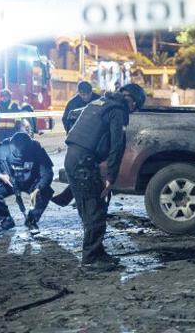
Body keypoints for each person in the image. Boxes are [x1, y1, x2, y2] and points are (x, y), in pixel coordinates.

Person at [64, 83, 145, 270]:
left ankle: (98, 252)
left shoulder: (99, 103)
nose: (132, 111)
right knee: (95, 211)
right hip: (83, 163)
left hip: (73, 159)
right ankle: (91, 259)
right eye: (135, 107)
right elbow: (117, 146)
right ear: (132, 101)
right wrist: (111, 177)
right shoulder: (118, 110)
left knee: (89, 210)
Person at [0, 132, 54, 232]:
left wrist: (38, 188)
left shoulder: (37, 149)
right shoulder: (2, 148)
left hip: (30, 182)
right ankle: (6, 220)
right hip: (8, 182)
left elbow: (47, 173)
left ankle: (31, 220)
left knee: (46, 191)